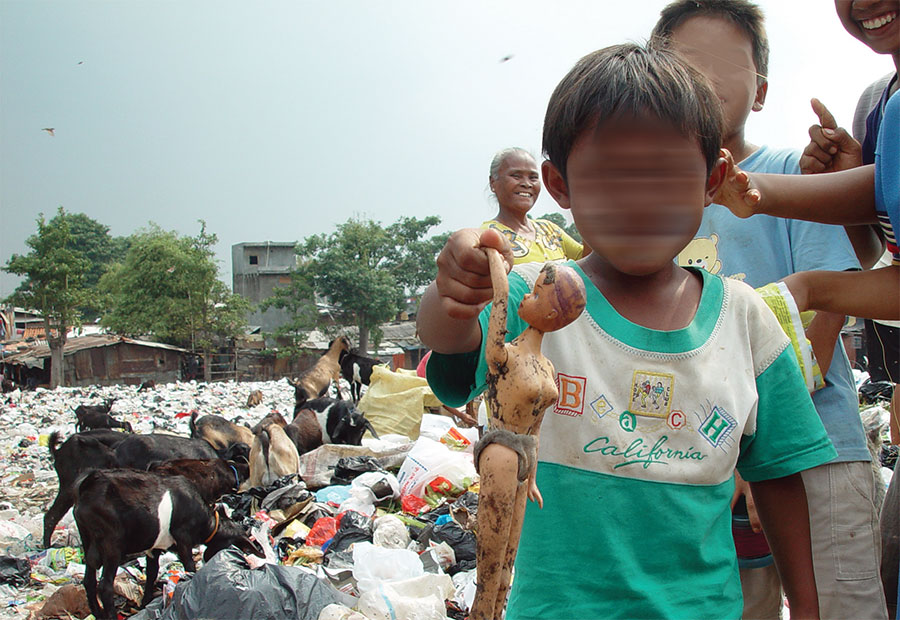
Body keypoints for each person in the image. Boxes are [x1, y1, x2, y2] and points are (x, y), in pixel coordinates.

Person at [417, 42, 835, 619]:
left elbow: (782, 479)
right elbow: (451, 338)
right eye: (611, 174)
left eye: (665, 173)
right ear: (560, 185)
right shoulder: (535, 300)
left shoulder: (744, 320)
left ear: (712, 178)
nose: (639, 201)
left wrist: (808, 610)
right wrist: (452, 291)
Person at [652, 1, 888, 617]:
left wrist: (760, 452)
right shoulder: (643, 210)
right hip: (694, 464)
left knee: (838, 603)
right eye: (684, 67)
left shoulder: (791, 178)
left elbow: (823, 325)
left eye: (721, 68)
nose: (701, 84)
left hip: (815, 450)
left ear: (759, 92)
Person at [482, 147, 584, 264]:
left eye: (533, 178)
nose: (526, 184)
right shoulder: (488, 235)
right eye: (516, 176)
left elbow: (588, 260)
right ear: (493, 182)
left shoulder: (550, 230)